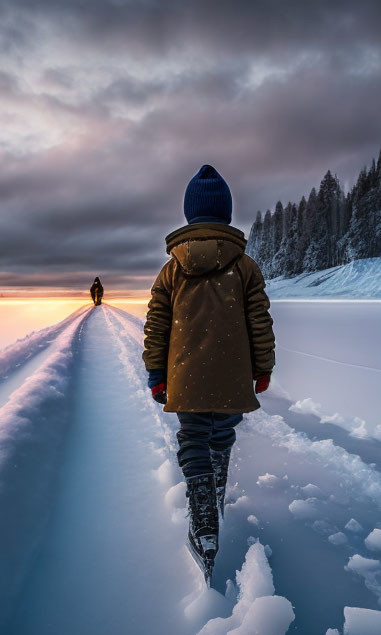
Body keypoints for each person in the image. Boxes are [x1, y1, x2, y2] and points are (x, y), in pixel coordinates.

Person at [142, 164, 275, 584]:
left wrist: (155, 372)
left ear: (189, 215)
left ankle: (202, 513)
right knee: (222, 431)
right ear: (226, 214)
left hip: (186, 376)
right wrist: (263, 367)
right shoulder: (245, 267)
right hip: (233, 376)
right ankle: (214, 491)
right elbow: (260, 322)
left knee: (193, 436)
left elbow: (157, 325)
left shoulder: (172, 269)